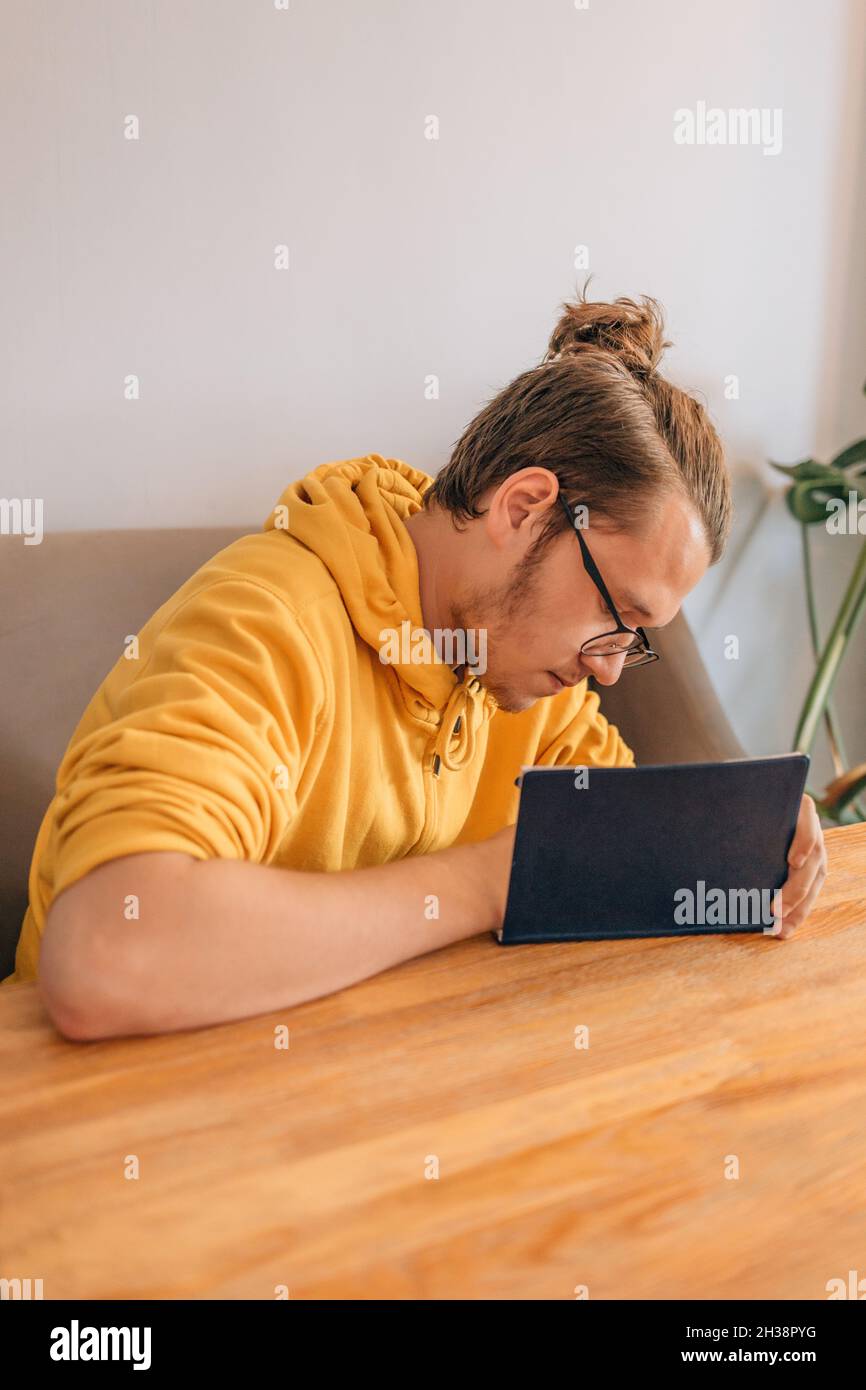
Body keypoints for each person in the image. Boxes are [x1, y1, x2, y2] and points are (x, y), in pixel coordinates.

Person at [1, 289, 827, 1035]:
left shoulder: (524, 674)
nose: (610, 672)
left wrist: (742, 830)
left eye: (635, 641)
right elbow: (109, 952)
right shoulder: (267, 619)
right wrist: (482, 883)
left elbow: (613, 846)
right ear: (526, 507)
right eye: (618, 615)